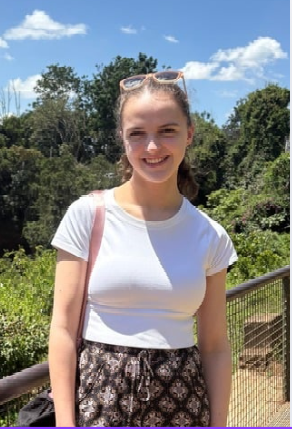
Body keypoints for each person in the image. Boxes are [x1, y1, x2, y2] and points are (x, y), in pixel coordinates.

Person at [48, 71, 237, 427]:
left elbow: (214, 346)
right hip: (99, 399)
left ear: (189, 134)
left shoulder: (210, 235)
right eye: (137, 134)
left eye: (167, 130)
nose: (152, 147)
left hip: (184, 403)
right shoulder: (87, 215)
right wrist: (65, 423)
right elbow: (62, 330)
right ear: (122, 138)